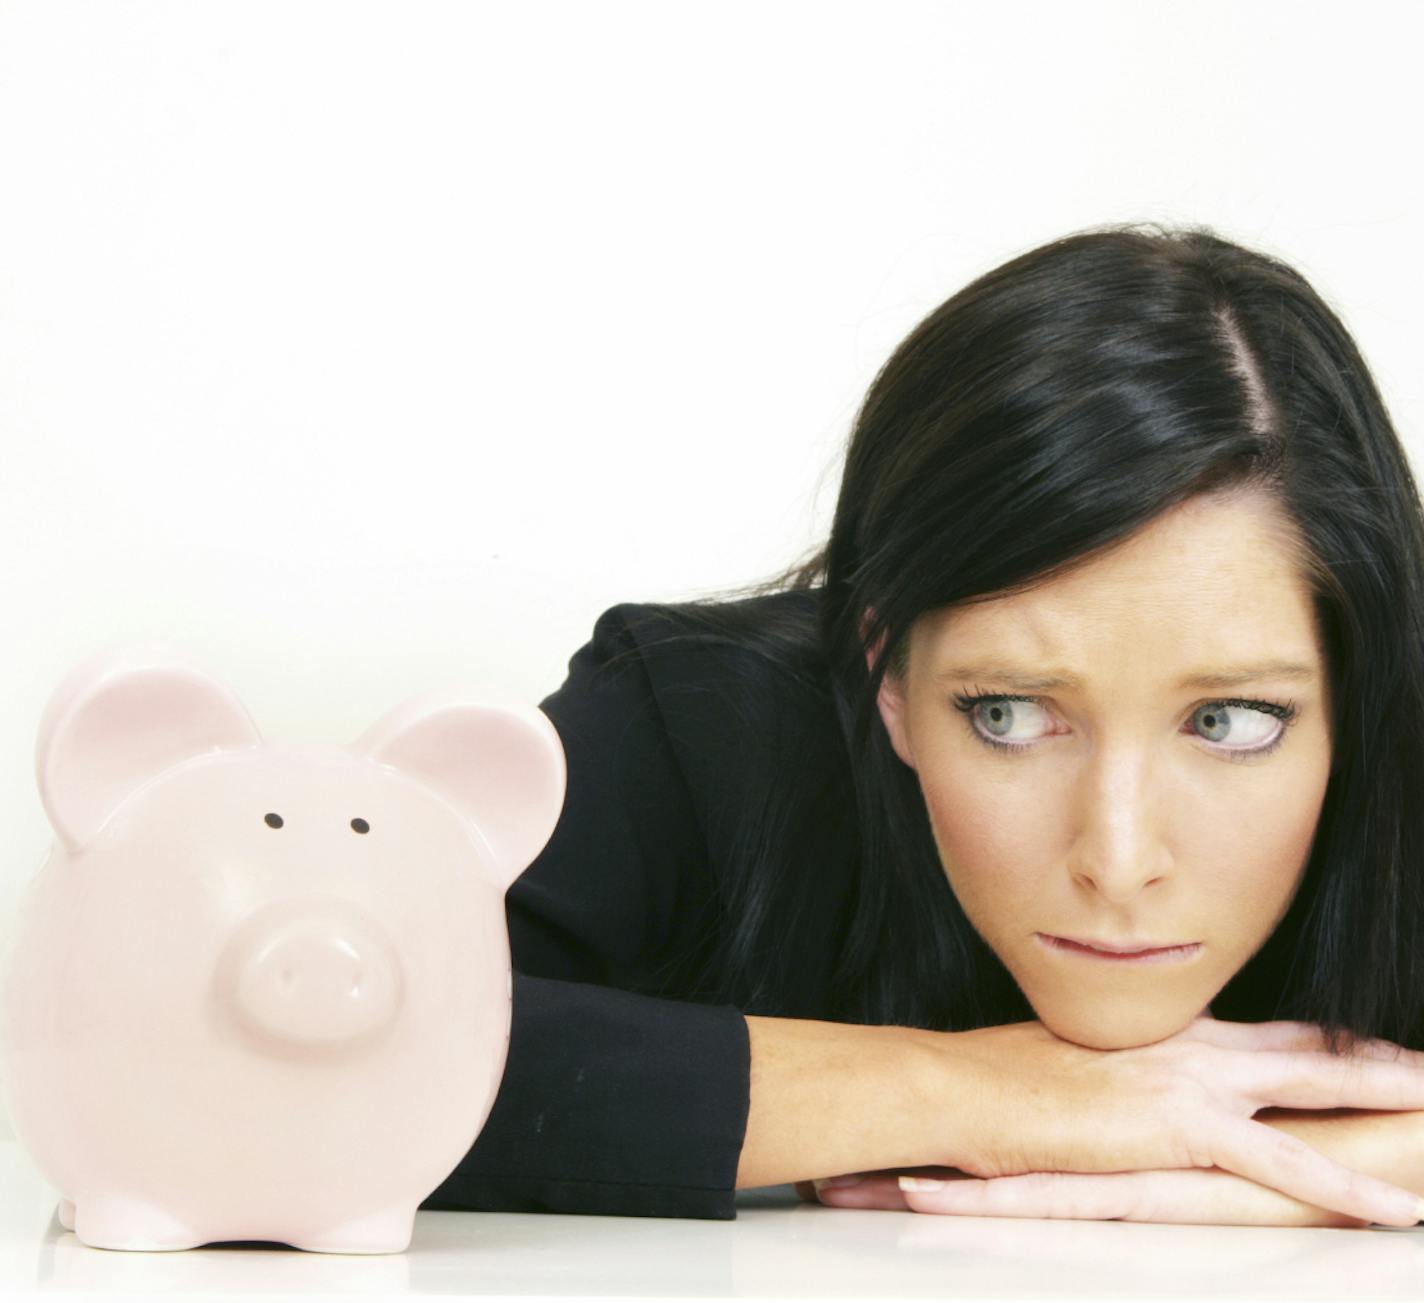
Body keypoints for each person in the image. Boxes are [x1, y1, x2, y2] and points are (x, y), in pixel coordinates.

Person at [419, 221, 1424, 1228]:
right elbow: (334, 1032)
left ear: (1358, 690)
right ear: (884, 674)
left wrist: (1315, 1157)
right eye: (1008, 712)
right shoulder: (701, 728)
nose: (1117, 861)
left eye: (1228, 719)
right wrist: (972, 1095)